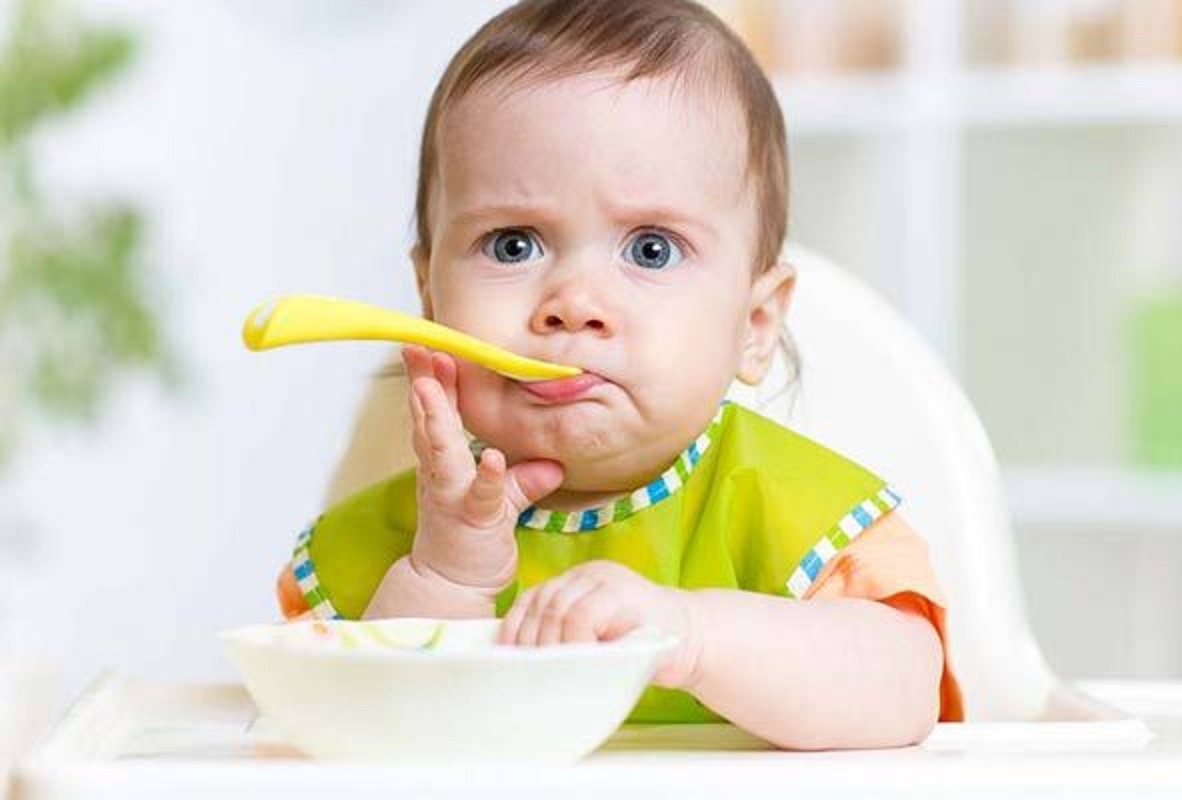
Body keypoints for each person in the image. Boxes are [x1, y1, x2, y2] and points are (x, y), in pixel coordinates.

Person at [275, 0, 963, 749]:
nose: (574, 304)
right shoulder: (397, 538)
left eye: (651, 250)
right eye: (512, 245)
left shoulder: (794, 514)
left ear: (756, 325)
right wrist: (447, 578)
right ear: (430, 300)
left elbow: (902, 693)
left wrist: (692, 634)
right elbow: (358, 736)